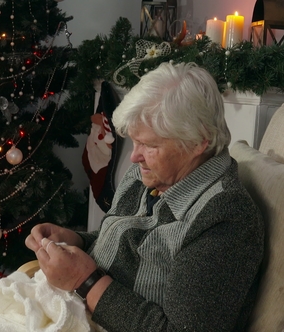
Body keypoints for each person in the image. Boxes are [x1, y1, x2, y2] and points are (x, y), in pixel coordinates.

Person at [25, 62, 264, 331]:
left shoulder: (224, 218)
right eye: (135, 141)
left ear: (199, 142)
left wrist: (84, 280)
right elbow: (126, 247)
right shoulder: (151, 174)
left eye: (149, 145)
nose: (134, 156)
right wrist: (77, 240)